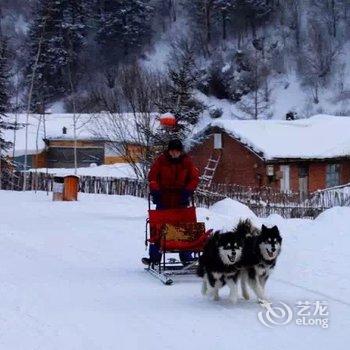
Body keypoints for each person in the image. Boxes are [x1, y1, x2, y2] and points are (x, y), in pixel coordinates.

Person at [142, 139, 200, 265]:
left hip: (181, 200)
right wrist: (156, 191)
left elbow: (194, 178)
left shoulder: (187, 162)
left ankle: (186, 256)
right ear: (169, 151)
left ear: (180, 151)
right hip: (163, 199)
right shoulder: (161, 161)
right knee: (158, 227)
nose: (175, 154)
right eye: (172, 151)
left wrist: (188, 191)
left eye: (177, 151)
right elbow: (152, 177)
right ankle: (154, 258)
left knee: (183, 228)